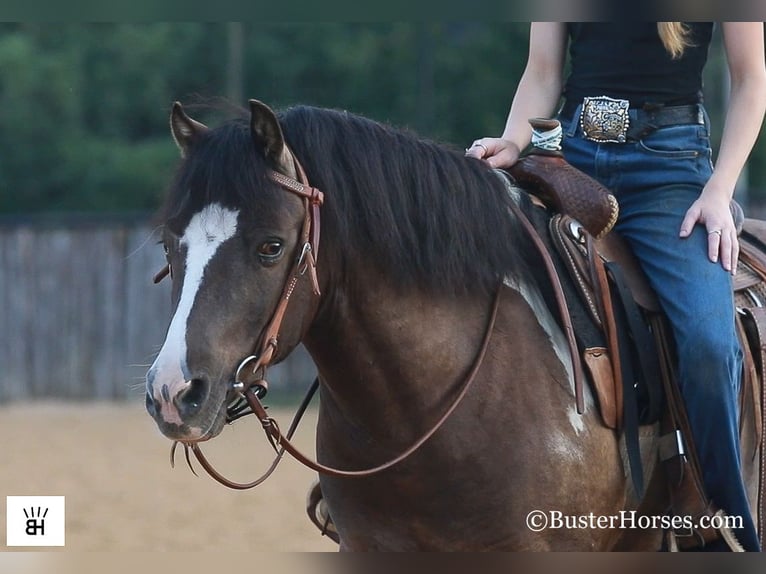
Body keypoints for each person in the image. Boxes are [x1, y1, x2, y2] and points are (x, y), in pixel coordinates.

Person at [467, 22, 766, 551]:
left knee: (708, 345)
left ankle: (721, 524)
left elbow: (751, 84)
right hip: (570, 159)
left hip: (670, 170)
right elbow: (542, 71)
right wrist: (513, 143)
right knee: (465, 273)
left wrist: (718, 191)